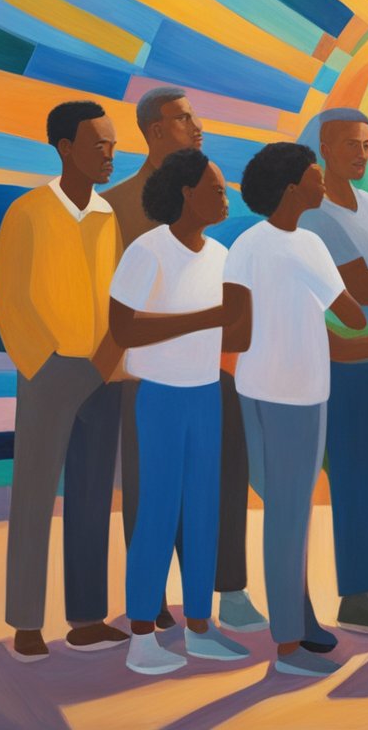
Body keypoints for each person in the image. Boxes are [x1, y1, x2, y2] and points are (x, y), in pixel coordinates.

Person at [105, 86, 264, 632]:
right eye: (183, 118)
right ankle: (148, 614)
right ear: (155, 129)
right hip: (147, 377)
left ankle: (221, 598)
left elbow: (235, 322)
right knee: (152, 496)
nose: (198, 127)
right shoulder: (120, 210)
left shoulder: (219, 247)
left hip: (208, 377)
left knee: (212, 494)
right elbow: (119, 315)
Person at [225, 142, 368, 677]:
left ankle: (300, 619)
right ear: (291, 189)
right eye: (314, 174)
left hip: (253, 389)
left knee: (282, 511)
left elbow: (236, 322)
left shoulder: (245, 243)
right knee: (289, 516)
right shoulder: (308, 244)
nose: (322, 180)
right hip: (299, 396)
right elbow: (353, 316)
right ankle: (288, 647)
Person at [0, 101, 127, 661]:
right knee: (34, 495)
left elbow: (117, 294)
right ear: (65, 148)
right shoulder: (27, 212)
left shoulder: (107, 216)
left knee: (92, 497)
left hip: (105, 373)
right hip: (48, 372)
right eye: (99, 145)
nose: (110, 155)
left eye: (113, 144)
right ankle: (26, 622)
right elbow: (8, 300)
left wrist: (110, 361)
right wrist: (43, 364)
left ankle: (87, 619)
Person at [297, 108, 368, 634]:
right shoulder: (316, 216)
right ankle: (356, 595)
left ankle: (364, 589)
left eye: (366, 144)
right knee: (352, 472)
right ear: (325, 148)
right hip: (340, 360)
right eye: (351, 144)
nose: (361, 153)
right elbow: (364, 287)